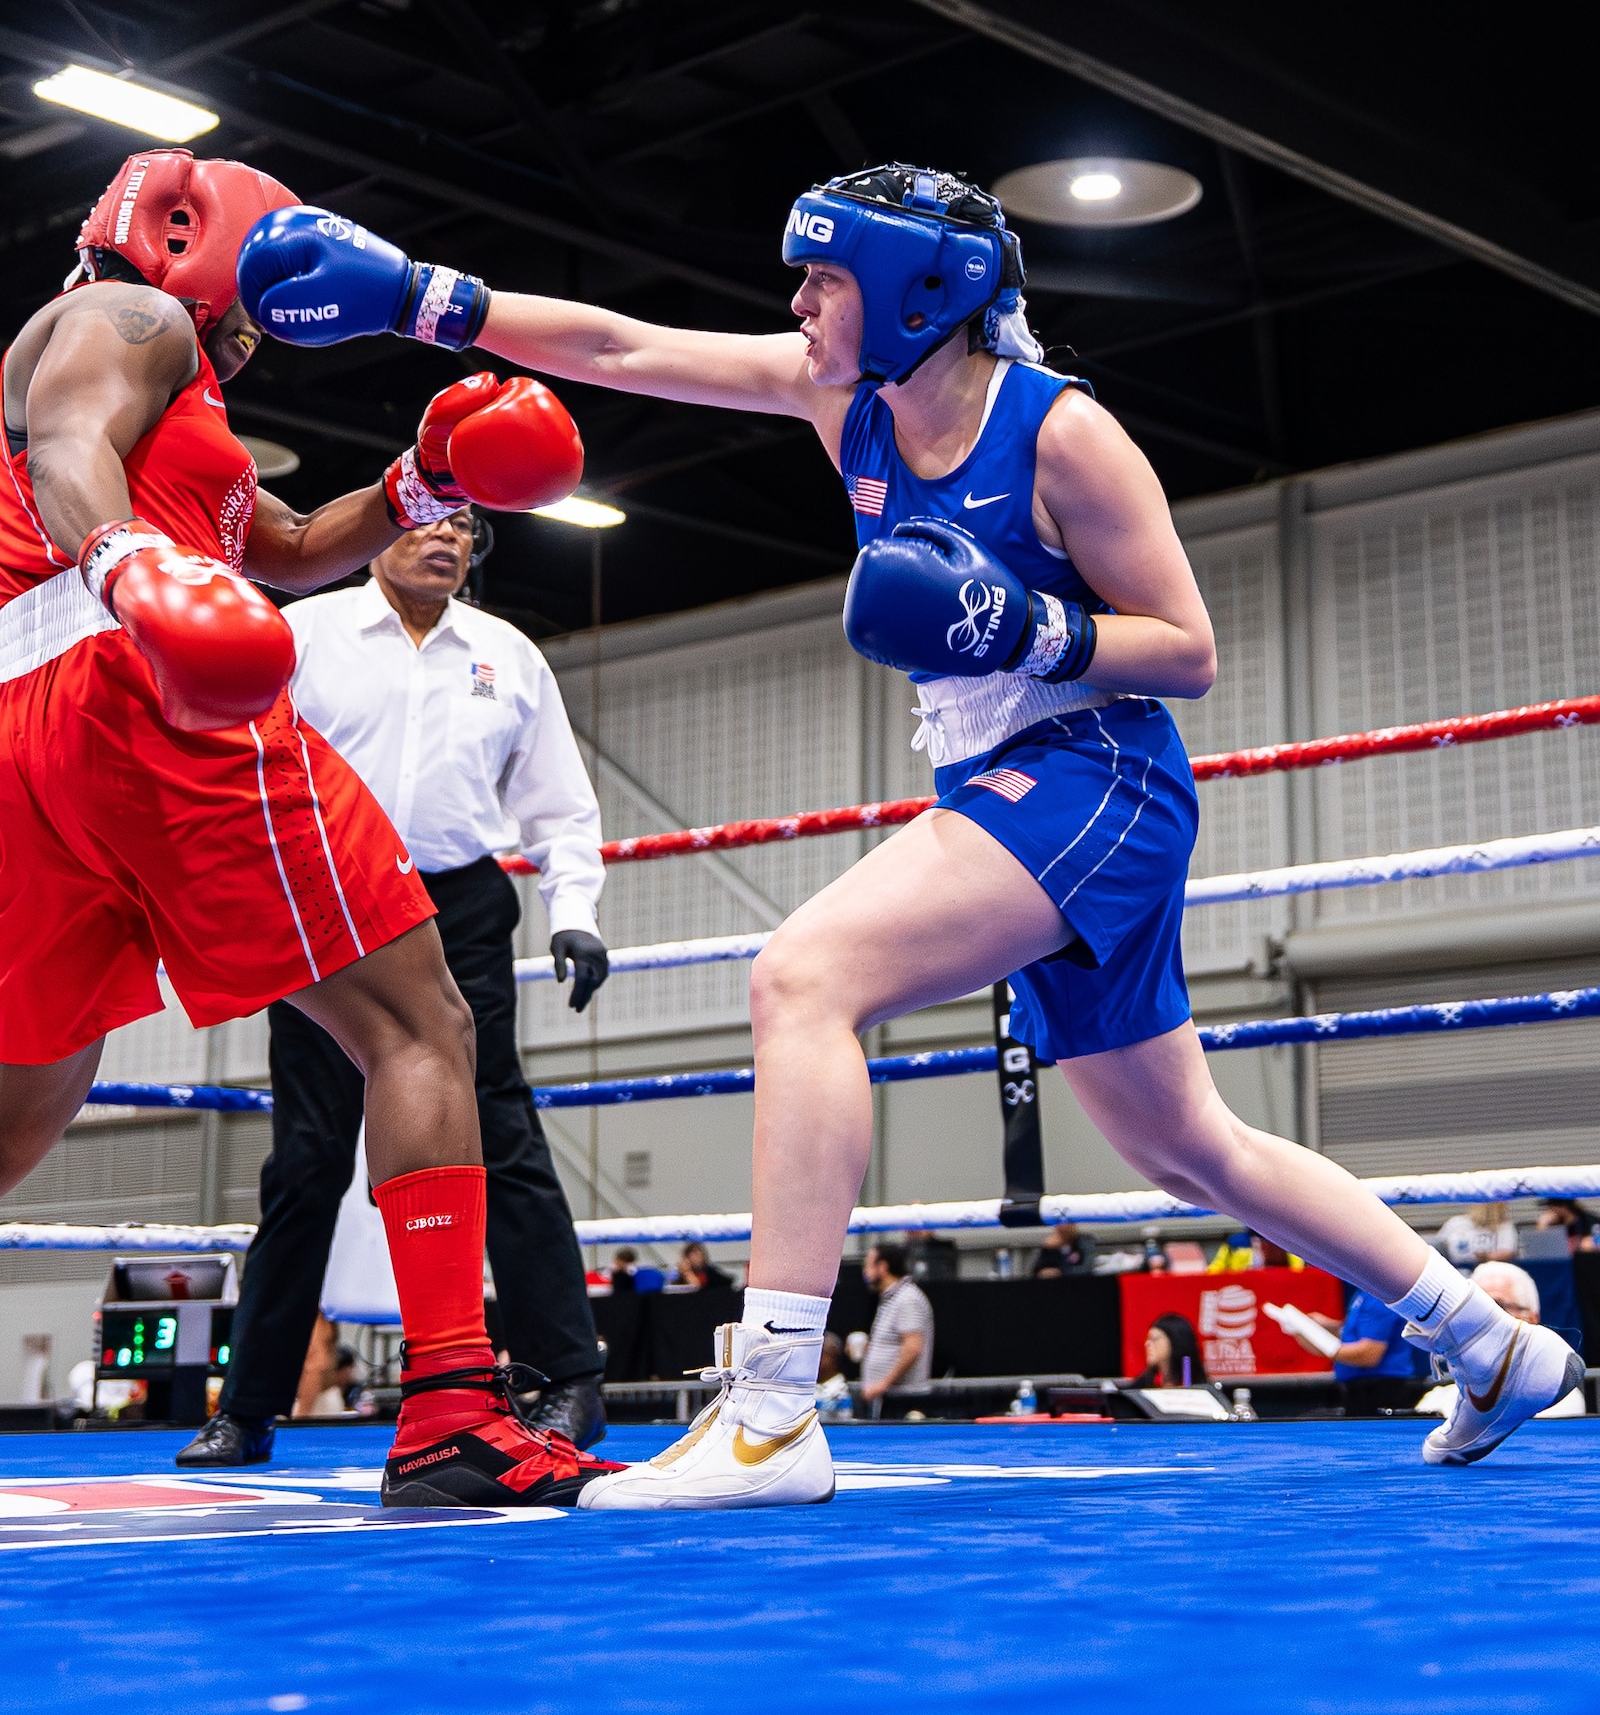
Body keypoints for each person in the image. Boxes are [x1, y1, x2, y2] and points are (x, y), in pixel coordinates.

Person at [242, 159, 1584, 1507]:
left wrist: (1028, 626)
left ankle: (771, 1410)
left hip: (1095, 774)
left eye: (824, 279)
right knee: (1189, 1146)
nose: (798, 303)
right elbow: (622, 346)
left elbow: (1187, 648)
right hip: (1004, 787)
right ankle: (1487, 1339)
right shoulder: (848, 401)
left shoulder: (1062, 433)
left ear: (916, 292)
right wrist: (422, 299)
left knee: (803, 976)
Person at [0, 148, 620, 1508]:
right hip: (139, 685)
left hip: (25, 736)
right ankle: (452, 1407)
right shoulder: (130, 317)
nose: (272, 314)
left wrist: (422, 482)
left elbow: (278, 547)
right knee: (419, 1021)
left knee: (20, 1108)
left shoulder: (179, 408)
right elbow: (68, 447)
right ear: (197, 237)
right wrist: (133, 567)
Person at [177, 509, 610, 1468]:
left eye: (464, 524)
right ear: (378, 530)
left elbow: (557, 802)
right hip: (322, 893)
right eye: (426, 519)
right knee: (307, 1155)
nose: (446, 536)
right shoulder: (303, 630)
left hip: (460, 905)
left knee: (500, 1128)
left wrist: (574, 909)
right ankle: (247, 1408)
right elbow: (229, 754)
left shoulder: (508, 653)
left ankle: (569, 1380)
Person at [1415, 1264, 1586, 1421]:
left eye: (1498, 1306)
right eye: (1473, 1308)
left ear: (1531, 1319)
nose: (1482, 1320)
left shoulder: (1559, 1399)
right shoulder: (1436, 1400)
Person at [1291, 1290, 1424, 1416]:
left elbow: (1369, 1354)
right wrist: (1327, 1326)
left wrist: (1323, 1346)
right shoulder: (1365, 1294)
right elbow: (1359, 1333)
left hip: (1380, 1391)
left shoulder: (1379, 1298)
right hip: (1361, 1390)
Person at [858, 1243, 934, 1412]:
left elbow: (913, 1347)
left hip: (903, 1400)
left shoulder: (907, 1299)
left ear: (882, 1267)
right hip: (889, 1398)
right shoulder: (891, 1299)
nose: (865, 1272)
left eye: (868, 1265)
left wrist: (882, 1385)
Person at [1131, 1313, 1207, 1389]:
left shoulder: (1198, 1388)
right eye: (1148, 1339)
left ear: (1175, 1341)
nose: (1147, 1344)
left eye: (1154, 1339)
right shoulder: (1141, 1386)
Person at [1435, 1203, 1518, 1266]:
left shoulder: (1504, 1227)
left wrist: (1485, 1257)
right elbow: (1437, 1246)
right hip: (1455, 1270)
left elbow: (1507, 1252)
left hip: (1488, 1272)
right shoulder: (1456, 1223)